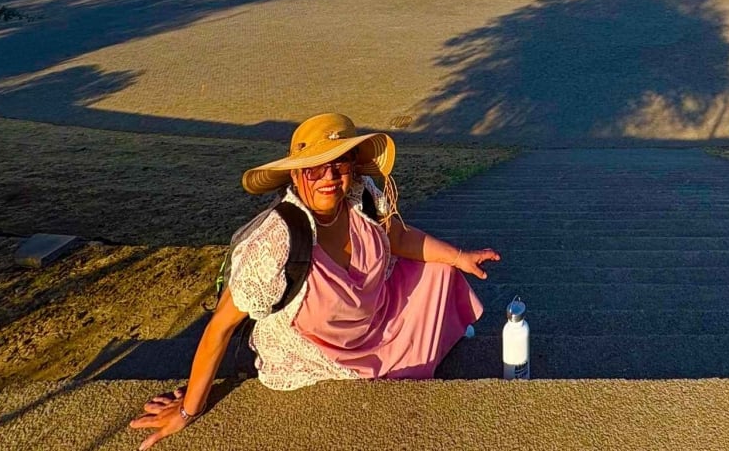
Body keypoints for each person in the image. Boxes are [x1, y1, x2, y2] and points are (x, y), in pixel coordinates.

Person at [129, 113, 499, 449]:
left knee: (439, 269)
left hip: (372, 319)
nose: (329, 178)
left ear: (353, 167)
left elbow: (397, 236)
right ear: (295, 174)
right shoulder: (276, 240)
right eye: (314, 169)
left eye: (339, 164)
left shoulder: (362, 197)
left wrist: (458, 257)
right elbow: (220, 327)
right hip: (322, 351)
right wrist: (189, 409)